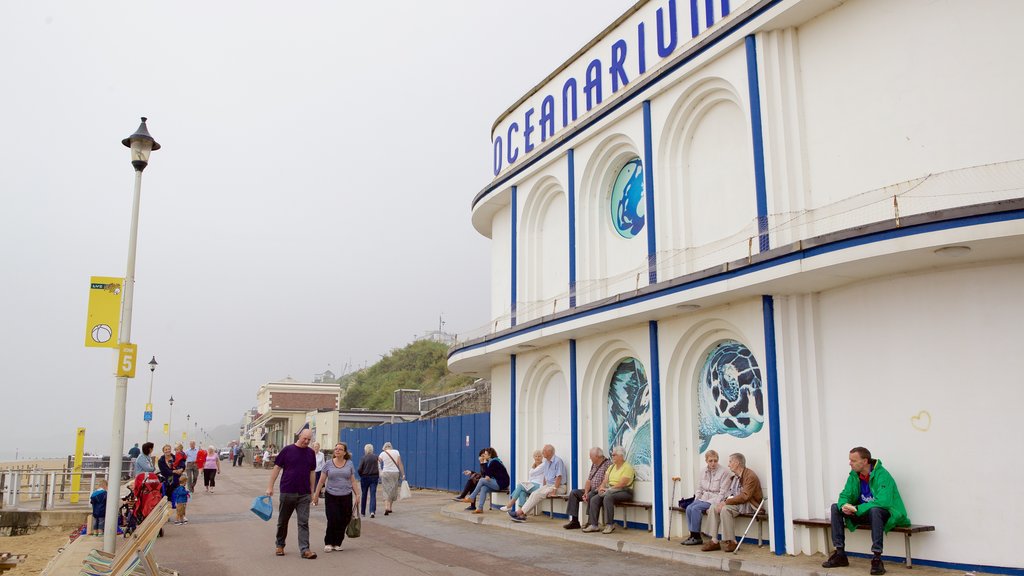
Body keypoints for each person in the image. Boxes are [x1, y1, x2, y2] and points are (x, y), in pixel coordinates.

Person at [821, 447, 909, 576]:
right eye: (849, 460)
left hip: (885, 515)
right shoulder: (854, 476)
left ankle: (877, 559)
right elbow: (844, 495)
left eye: (853, 460)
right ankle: (840, 554)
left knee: (875, 510)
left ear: (865, 461)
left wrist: (857, 508)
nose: (850, 463)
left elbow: (883, 501)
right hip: (862, 513)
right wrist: (844, 506)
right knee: (835, 508)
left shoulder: (882, 475)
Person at [266, 429, 317, 559]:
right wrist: (270, 487)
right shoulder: (287, 450)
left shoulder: (311, 453)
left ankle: (305, 549)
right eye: (304, 438)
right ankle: (280, 545)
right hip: (287, 491)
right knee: (283, 521)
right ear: (299, 436)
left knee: (303, 522)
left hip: (304, 493)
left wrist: (312, 491)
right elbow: (277, 468)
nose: (306, 441)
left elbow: (312, 472)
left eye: (309, 440)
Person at [702, 452, 763, 553]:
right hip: (736, 503)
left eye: (730, 462)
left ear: (737, 463)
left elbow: (745, 496)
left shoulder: (750, 476)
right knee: (713, 507)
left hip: (749, 505)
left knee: (725, 509)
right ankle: (714, 541)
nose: (728, 465)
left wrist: (726, 503)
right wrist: (722, 502)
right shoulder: (735, 476)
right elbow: (730, 493)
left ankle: (732, 541)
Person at [313, 442, 360, 552]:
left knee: (344, 519)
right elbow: (321, 481)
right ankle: (329, 542)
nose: (337, 451)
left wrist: (357, 494)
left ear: (344, 452)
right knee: (332, 518)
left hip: (346, 495)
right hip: (331, 495)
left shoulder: (349, 464)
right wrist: (316, 495)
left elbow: (353, 480)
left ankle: (338, 542)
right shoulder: (328, 464)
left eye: (340, 449)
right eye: (336, 449)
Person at [681, 450, 731, 545]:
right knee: (689, 508)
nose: (713, 463)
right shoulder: (703, 471)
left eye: (715, 461)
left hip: (715, 499)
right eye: (710, 461)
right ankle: (692, 535)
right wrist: (695, 501)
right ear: (706, 461)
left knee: (695, 508)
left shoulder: (724, 472)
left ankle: (697, 537)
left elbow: (723, 492)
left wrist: (714, 504)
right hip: (704, 498)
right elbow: (699, 488)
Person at [581, 446, 634, 534]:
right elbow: (605, 480)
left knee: (608, 497)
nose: (612, 457)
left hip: (625, 491)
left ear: (621, 456)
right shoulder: (611, 467)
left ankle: (610, 524)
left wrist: (609, 489)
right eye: (612, 455)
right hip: (611, 490)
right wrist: (601, 488)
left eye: (614, 455)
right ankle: (594, 525)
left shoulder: (627, 467)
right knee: (594, 499)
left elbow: (623, 483)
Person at [508, 444, 567, 522]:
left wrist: (554, 490)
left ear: (550, 452)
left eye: (544, 451)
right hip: (549, 486)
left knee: (537, 494)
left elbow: (559, 477)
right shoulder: (546, 462)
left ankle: (519, 512)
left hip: (559, 487)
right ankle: (522, 515)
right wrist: (544, 487)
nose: (542, 452)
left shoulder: (557, 461)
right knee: (534, 493)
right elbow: (545, 477)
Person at [562, 447, 611, 529]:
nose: (590, 458)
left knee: (592, 495)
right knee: (574, 493)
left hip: (600, 491)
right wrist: (585, 493)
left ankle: (591, 522)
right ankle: (574, 521)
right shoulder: (594, 465)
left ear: (597, 456)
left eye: (591, 456)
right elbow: (589, 480)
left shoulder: (608, 464)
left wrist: (591, 492)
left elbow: (605, 482)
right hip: (591, 490)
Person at [463, 447, 509, 513]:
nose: (484, 456)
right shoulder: (491, 462)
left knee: (481, 480)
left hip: (501, 484)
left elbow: (487, 476)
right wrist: (483, 464)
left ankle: (472, 497)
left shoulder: (494, 462)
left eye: (485, 454)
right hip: (497, 483)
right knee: (484, 488)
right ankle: (480, 508)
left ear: (490, 455)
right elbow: (485, 475)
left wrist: (482, 462)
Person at [378, 441, 405, 516]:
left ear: (384, 447)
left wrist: (380, 471)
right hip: (395, 473)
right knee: (393, 489)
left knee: (386, 489)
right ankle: (390, 507)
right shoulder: (396, 452)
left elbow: (378, 462)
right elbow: (400, 463)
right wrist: (403, 474)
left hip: (386, 472)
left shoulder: (382, 453)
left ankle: (386, 507)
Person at [357, 443, 379, 518]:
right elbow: (378, 467)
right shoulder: (376, 457)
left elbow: (359, 469)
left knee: (364, 494)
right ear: (372, 450)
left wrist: (361, 475)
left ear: (365, 450)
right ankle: (372, 511)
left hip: (364, 477)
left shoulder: (363, 458)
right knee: (373, 494)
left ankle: (363, 512)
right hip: (374, 477)